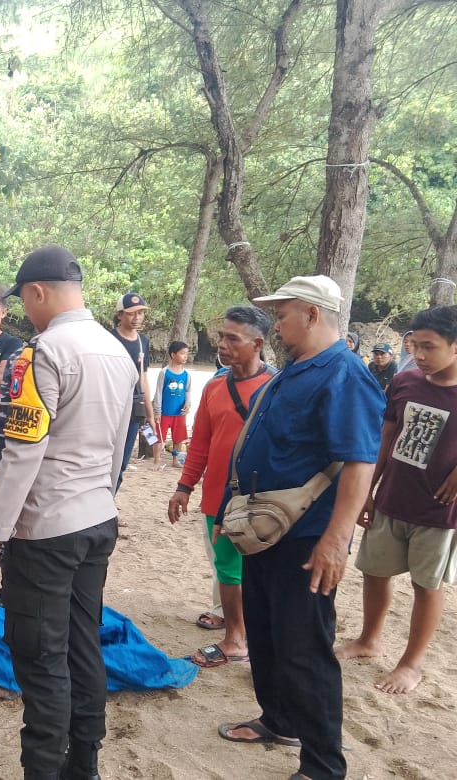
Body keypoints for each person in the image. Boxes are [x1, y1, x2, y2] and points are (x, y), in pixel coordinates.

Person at [0, 246, 136, 780]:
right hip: (97, 518)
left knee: (41, 661)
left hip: (48, 529)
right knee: (84, 646)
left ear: (37, 292)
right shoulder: (118, 351)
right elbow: (117, 446)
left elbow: (23, 451)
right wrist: (102, 497)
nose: (25, 313)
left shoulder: (41, 352)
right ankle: (83, 767)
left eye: (25, 302)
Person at [216, 275, 383, 780]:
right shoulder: (296, 370)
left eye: (284, 313)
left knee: (305, 647)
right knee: (266, 633)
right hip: (265, 530)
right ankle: (279, 719)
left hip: (307, 537)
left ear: (312, 314)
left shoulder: (345, 373)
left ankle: (323, 766)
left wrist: (336, 540)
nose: (277, 324)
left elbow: (358, 462)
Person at [336, 305, 457, 694]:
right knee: (375, 570)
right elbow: (385, 439)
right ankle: (369, 640)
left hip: (439, 511)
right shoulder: (404, 382)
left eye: (429, 347)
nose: (419, 355)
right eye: (414, 345)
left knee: (427, 584)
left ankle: (411, 663)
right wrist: (368, 491)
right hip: (392, 497)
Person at [167, 307, 276, 669]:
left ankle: (245, 638)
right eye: (221, 337)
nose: (223, 345)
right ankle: (236, 637)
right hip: (218, 494)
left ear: (257, 343)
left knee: (260, 571)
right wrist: (184, 486)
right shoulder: (215, 386)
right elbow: (200, 443)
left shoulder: (277, 387)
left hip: (264, 498)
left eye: (233, 339)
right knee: (228, 569)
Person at [110, 292, 155, 487]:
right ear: (120, 314)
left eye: (140, 313)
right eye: (131, 313)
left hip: (134, 408)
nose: (137, 318)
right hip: (110, 405)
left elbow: (143, 377)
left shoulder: (142, 342)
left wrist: (150, 414)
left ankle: (109, 506)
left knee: (122, 461)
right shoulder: (108, 338)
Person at [153, 340, 191, 467]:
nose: (185, 356)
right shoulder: (164, 372)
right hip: (164, 412)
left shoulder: (187, 374)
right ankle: (157, 460)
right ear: (173, 355)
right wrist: (157, 411)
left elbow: (188, 390)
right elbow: (158, 392)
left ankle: (176, 460)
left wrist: (188, 404)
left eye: (187, 353)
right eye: (182, 353)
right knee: (159, 437)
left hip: (179, 413)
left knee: (178, 438)